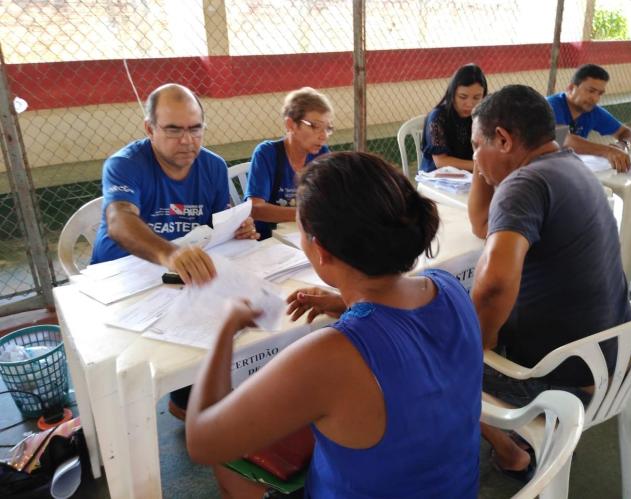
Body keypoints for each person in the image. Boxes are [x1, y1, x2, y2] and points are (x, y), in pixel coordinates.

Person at [186, 152, 483, 498]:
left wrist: (224, 330)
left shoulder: (330, 355)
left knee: (230, 460)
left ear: (321, 251)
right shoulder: (447, 287)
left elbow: (201, 442)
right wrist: (347, 303)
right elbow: (405, 333)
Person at [468, 84, 631, 480]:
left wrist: (476, 346)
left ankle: (511, 452)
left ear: (504, 139)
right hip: (617, 364)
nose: (474, 156)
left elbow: (492, 286)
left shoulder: (522, 186)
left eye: (476, 145)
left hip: (561, 383)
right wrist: (484, 163)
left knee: (429, 351)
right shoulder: (570, 165)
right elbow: (481, 225)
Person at [91, 83, 258, 285]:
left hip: (179, 279)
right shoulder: (125, 165)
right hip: (119, 276)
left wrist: (237, 228)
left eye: (195, 129)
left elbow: (216, 225)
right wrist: (171, 254)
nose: (187, 140)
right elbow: (119, 221)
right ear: (149, 129)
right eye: (173, 130)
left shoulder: (214, 167)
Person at [246, 87, 332, 240]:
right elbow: (255, 208)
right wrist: (307, 214)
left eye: (328, 128)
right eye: (315, 126)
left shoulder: (322, 153)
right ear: (291, 125)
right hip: (267, 241)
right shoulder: (267, 153)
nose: (323, 136)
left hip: (305, 237)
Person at [547, 63, 631, 172]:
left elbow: (628, 133)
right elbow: (563, 139)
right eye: (591, 91)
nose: (595, 98)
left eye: (600, 93)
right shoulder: (551, 105)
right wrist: (608, 150)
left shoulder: (592, 111)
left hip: (569, 168)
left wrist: (623, 144)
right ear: (571, 88)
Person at [420, 63, 488, 173]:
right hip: (438, 177)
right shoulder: (437, 117)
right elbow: (441, 162)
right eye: (463, 97)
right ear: (452, 94)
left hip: (468, 175)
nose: (469, 104)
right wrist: (479, 165)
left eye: (477, 97)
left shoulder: (481, 115)